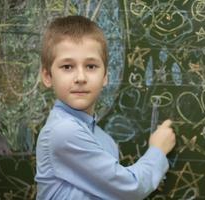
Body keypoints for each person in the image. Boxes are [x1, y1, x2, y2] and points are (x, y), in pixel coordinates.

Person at [35, 15, 176, 200]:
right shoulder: (63, 131)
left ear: (105, 76)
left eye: (91, 66)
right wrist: (157, 150)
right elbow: (131, 188)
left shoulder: (103, 139)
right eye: (67, 66)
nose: (80, 77)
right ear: (47, 76)